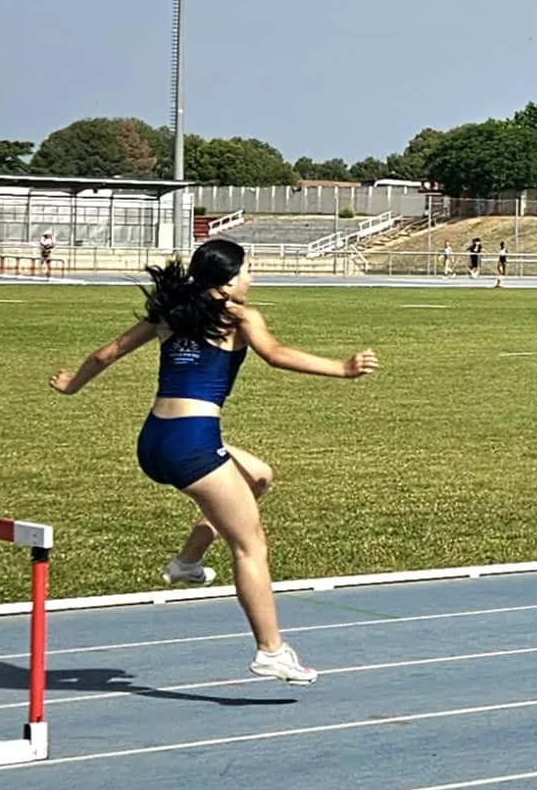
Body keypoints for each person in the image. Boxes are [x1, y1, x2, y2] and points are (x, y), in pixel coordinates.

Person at [48, 238, 377, 684]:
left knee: (258, 476)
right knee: (251, 547)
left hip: (154, 441)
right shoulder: (240, 317)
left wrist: (71, 386)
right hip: (192, 444)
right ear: (226, 282)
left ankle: (186, 563)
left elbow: (107, 353)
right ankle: (271, 651)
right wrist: (343, 368)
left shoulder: (171, 312)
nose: (252, 278)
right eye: (247, 271)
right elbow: (276, 355)